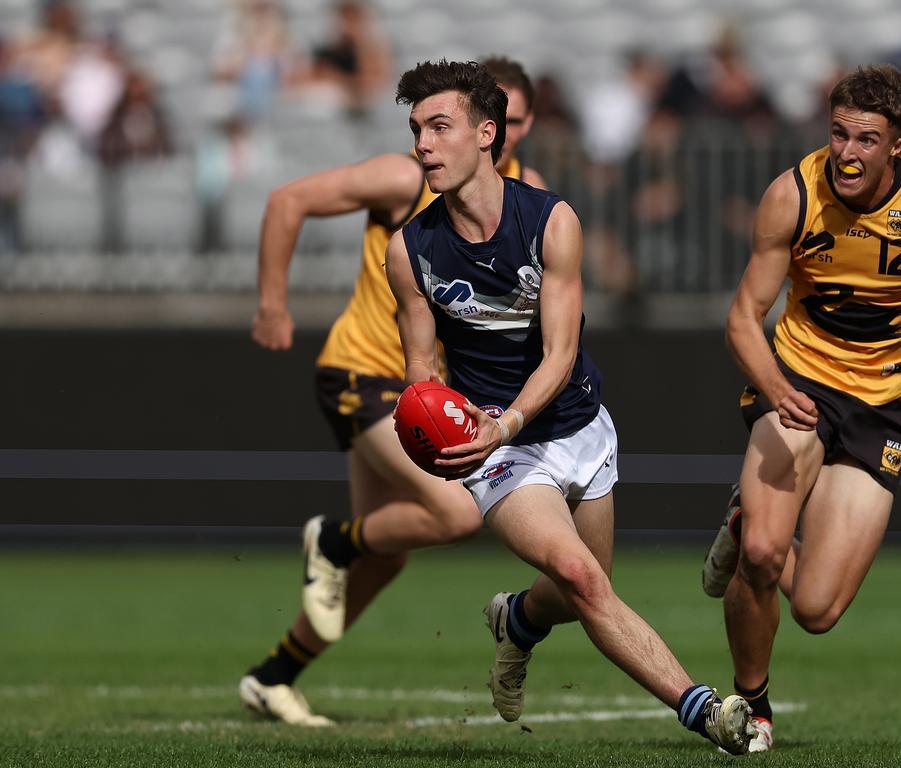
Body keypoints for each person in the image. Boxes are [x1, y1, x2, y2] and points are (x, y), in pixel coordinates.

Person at [385, 59, 755, 755]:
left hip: (576, 425)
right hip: (500, 451)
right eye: (416, 130)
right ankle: (705, 710)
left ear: (486, 133)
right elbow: (419, 372)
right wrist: (437, 428)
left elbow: (558, 357)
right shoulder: (410, 252)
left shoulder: (551, 221)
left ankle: (519, 622)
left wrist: (510, 419)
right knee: (584, 579)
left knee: (575, 590)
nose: (423, 145)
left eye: (439, 127)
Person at [238, 57, 546, 727]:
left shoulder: (529, 201)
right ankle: (333, 541)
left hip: (426, 395)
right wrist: (272, 304)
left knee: (389, 555)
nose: (506, 133)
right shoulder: (407, 179)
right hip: (363, 373)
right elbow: (287, 200)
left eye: (517, 122)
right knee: (456, 514)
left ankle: (274, 675)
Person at [701, 64, 901, 752]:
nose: (846, 152)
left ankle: (743, 520)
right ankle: (753, 704)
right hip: (801, 384)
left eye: (866, 139)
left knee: (817, 609)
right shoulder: (792, 195)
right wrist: (776, 389)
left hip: (889, 404)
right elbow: (743, 318)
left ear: (898, 146)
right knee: (767, 555)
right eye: (838, 134)